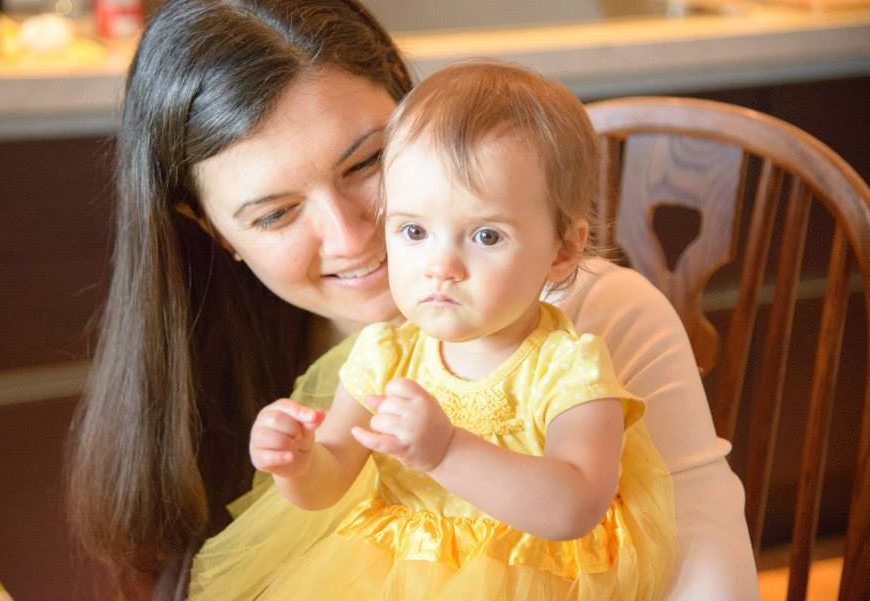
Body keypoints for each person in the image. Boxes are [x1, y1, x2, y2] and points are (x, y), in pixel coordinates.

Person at [66, 0, 758, 600]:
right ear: (214, 231)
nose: (354, 233)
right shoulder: (246, 358)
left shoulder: (593, 322)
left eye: (367, 162)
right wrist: (296, 460)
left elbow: (707, 567)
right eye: (277, 212)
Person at [189, 61, 676, 601]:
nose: (440, 265)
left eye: (486, 235)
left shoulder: (568, 368)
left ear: (563, 250)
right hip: (390, 577)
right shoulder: (385, 355)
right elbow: (329, 482)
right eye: (415, 231)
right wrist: (298, 462)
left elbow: (575, 506)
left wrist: (446, 452)